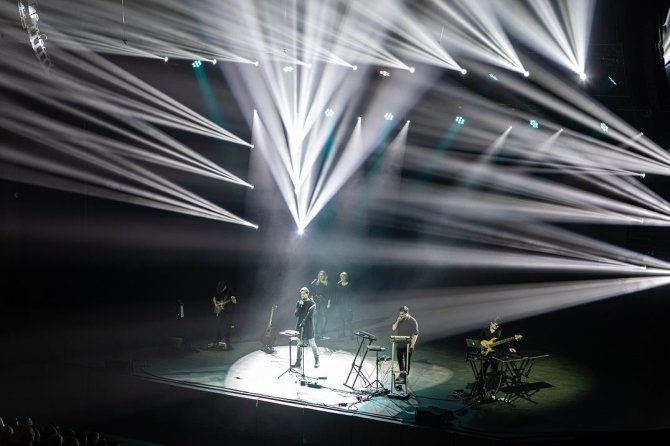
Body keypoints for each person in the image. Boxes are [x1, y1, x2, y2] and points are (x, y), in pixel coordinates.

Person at [293, 287, 320, 368]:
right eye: (301, 294)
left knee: (312, 342)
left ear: (307, 294)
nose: (302, 295)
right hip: (300, 324)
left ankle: (317, 359)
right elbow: (296, 314)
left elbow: (311, 314)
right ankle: (298, 361)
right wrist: (300, 306)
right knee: (299, 343)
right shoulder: (299, 302)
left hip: (308, 324)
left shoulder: (311, 302)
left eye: (304, 293)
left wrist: (305, 321)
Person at [391, 306, 418, 384]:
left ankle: (406, 374)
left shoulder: (413, 321)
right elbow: (393, 328)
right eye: (400, 314)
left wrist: (412, 345)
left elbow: (415, 334)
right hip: (399, 343)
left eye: (402, 314)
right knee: (399, 359)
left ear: (407, 313)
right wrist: (397, 321)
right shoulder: (399, 319)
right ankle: (401, 373)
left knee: (407, 360)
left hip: (408, 344)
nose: (401, 315)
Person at [212, 280, 238, 349]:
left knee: (227, 326)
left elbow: (235, 302)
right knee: (218, 325)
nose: (220, 290)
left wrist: (233, 299)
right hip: (220, 310)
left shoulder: (230, 291)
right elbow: (214, 297)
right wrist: (216, 304)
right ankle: (217, 340)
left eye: (221, 289)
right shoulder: (218, 289)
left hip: (228, 311)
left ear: (224, 287)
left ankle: (227, 341)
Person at [310, 270, 331, 339]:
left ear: (324, 276)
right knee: (316, 316)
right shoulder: (315, 282)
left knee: (325, 316)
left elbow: (329, 294)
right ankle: (315, 332)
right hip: (316, 301)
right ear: (318, 276)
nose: (321, 276)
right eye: (320, 275)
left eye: (322, 275)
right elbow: (311, 291)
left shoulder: (326, 283)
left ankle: (322, 331)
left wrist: (328, 303)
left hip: (324, 301)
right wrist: (312, 299)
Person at [333, 272, 353, 339]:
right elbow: (336, 295)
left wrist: (350, 307)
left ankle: (351, 335)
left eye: (344, 276)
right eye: (341, 276)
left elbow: (350, 296)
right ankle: (342, 333)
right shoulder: (338, 285)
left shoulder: (349, 285)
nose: (342, 277)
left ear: (346, 277)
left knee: (348, 320)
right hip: (339, 305)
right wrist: (335, 305)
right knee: (341, 320)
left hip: (347, 304)